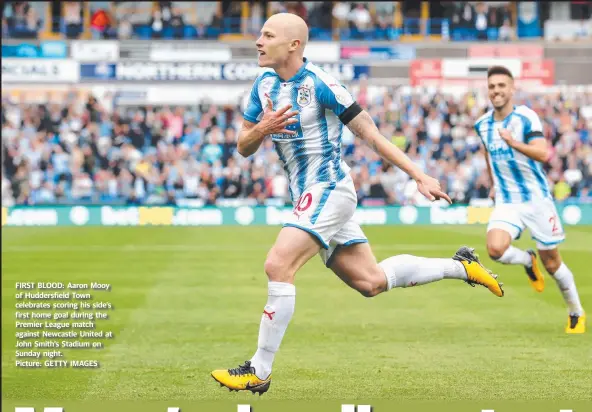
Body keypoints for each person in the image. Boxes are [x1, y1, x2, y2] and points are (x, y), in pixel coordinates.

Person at [210, 13, 504, 395]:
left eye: (267, 35)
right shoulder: (263, 84)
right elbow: (243, 146)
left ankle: (258, 369)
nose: (258, 41)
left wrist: (418, 175)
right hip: (307, 196)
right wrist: (261, 130)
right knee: (371, 282)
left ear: (293, 45)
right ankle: (461, 266)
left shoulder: (322, 84)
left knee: (277, 264)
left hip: (330, 187)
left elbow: (371, 135)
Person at [475, 65, 585, 334]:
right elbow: (489, 154)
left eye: (501, 85)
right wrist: (492, 184)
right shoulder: (482, 124)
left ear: (512, 89)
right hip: (507, 201)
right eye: (492, 86)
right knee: (494, 249)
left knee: (552, 263)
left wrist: (513, 143)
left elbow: (543, 153)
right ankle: (526, 260)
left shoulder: (526, 118)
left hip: (536, 200)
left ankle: (575, 312)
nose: (496, 91)